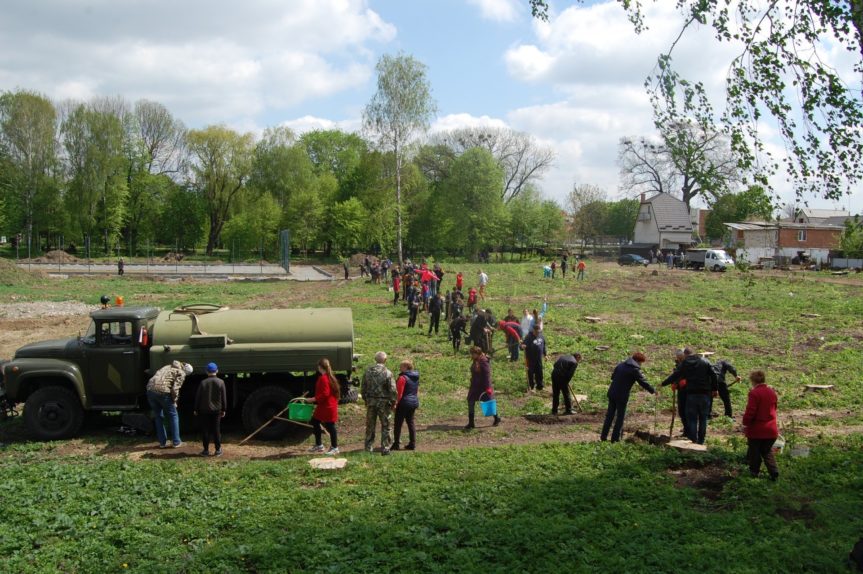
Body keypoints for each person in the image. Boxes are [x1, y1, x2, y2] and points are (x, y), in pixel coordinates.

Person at [660, 348, 718, 444]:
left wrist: (663, 383)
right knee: (703, 418)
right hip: (705, 394)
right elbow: (714, 375)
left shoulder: (685, 363)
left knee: (692, 418)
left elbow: (676, 375)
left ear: (685, 355)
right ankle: (701, 441)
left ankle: (693, 439)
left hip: (691, 394)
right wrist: (715, 389)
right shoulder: (705, 361)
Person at [601, 352, 656, 442]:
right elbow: (643, 382)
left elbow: (613, 377)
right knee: (620, 417)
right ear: (637, 361)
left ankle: (603, 437)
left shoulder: (621, 365)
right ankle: (615, 439)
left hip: (612, 393)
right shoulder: (634, 370)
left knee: (609, 416)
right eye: (640, 362)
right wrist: (653, 390)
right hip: (622, 395)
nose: (641, 364)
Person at [742, 370, 779, 481]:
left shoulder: (754, 393)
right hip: (771, 429)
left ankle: (754, 472)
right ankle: (773, 471)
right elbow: (774, 408)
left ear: (753, 381)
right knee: (767, 451)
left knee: (755, 452)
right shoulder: (772, 392)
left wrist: (745, 423)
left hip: (757, 429)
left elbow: (751, 411)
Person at [146, 360, 193, 448]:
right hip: (163, 391)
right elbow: (175, 389)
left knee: (158, 416)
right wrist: (175, 401)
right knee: (173, 415)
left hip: (150, 390)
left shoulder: (167, 366)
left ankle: (162, 443)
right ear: (186, 371)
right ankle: (176, 442)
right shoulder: (181, 372)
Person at [361, 351, 397, 455]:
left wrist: (365, 399)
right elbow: (393, 390)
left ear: (375, 359)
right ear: (385, 360)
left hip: (371, 402)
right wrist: (394, 402)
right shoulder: (388, 373)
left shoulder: (367, 372)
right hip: (384, 403)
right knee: (386, 426)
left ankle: (368, 447)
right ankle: (385, 448)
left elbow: (363, 387)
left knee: (370, 425)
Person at [307, 357, 341, 455]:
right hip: (325, 406)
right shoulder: (328, 376)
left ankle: (335, 447)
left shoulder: (324, 378)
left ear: (320, 367)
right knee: (315, 421)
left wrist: (313, 399)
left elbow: (325, 393)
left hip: (327, 406)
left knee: (330, 426)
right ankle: (319, 445)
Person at [194, 362, 226, 457]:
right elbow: (224, 398)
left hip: (204, 410)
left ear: (206, 371)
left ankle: (206, 450)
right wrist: (224, 409)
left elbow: (198, 397)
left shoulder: (203, 382)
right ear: (217, 371)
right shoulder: (221, 382)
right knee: (216, 430)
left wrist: (196, 409)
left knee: (205, 430)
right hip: (217, 410)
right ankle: (218, 450)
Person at [465, 346, 501, 429]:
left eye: (473, 353)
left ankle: (497, 418)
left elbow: (487, 375)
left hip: (483, 387)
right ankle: (471, 423)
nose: (471, 355)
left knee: (489, 402)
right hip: (475, 386)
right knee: (470, 401)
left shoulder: (483, 361)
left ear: (477, 353)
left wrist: (488, 388)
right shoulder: (476, 360)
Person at [393, 359, 420, 451]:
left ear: (405, 367)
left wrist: (395, 404)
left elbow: (399, 393)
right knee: (410, 422)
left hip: (403, 403)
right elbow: (416, 390)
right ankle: (412, 443)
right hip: (413, 402)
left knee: (398, 423)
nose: (400, 368)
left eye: (401, 366)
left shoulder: (402, 378)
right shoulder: (415, 377)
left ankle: (396, 444)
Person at [522, 323, 547, 391]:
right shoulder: (528, 337)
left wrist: (545, 355)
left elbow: (543, 346)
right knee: (530, 372)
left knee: (539, 372)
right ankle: (531, 386)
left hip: (539, 358)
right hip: (530, 359)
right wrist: (522, 346)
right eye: (536, 332)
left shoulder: (541, 336)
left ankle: (540, 386)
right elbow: (522, 345)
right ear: (533, 330)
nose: (537, 333)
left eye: (538, 332)